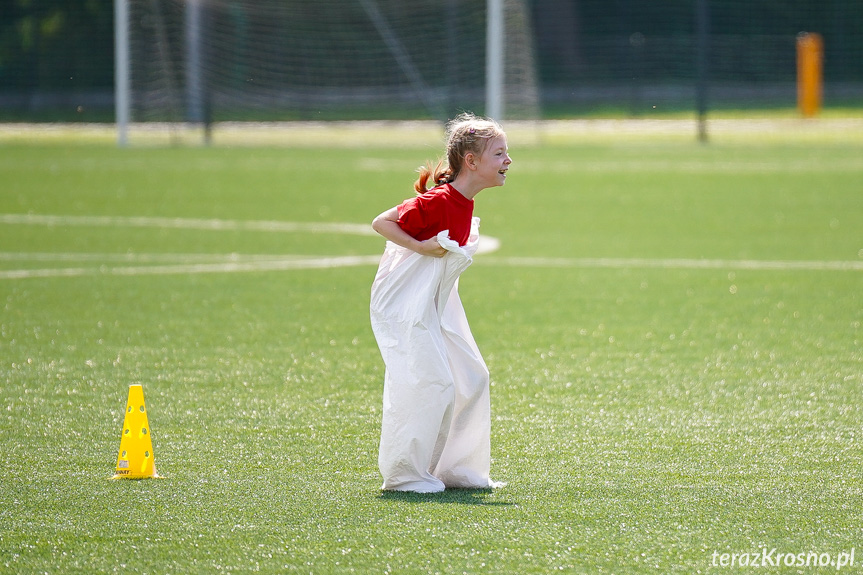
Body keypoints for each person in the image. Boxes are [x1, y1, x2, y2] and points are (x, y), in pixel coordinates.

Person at [369, 113, 511, 493]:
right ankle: (404, 475)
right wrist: (419, 246)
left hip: (437, 299)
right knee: (432, 381)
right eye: (499, 153)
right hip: (405, 300)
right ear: (472, 161)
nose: (508, 161)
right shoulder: (440, 201)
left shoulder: (463, 203)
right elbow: (381, 222)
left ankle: (456, 470)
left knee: (472, 377)